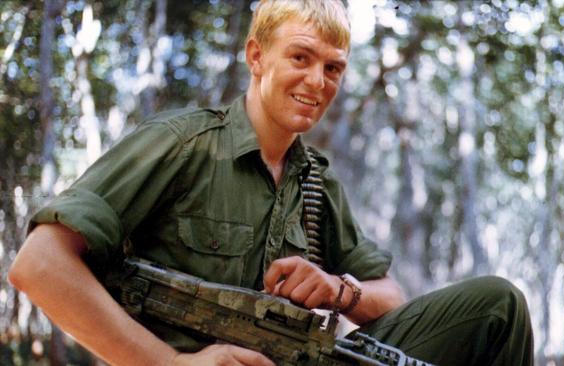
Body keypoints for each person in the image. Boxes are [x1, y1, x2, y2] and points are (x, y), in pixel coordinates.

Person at [9, 1, 534, 365]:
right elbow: (40, 264)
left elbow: (391, 297)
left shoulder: (315, 184)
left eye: (333, 68)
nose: (317, 82)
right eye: (300, 57)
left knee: (497, 306)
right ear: (257, 56)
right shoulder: (182, 144)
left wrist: (337, 290)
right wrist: (168, 362)